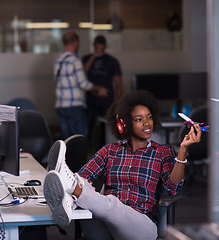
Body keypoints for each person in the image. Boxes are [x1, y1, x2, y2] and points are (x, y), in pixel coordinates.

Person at [44, 90, 202, 240]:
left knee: (107, 203)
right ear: (124, 124)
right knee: (86, 196)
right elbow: (84, 175)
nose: (147, 123)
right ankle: (71, 196)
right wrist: (83, 183)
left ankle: (71, 194)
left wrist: (183, 149)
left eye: (149, 117)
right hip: (107, 223)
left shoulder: (162, 152)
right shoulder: (110, 151)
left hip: (141, 226)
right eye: (139, 119)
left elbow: (174, 188)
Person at [54, 32, 108, 140]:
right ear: (76, 43)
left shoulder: (58, 60)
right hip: (74, 106)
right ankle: (77, 158)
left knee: (66, 142)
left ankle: (67, 158)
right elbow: (83, 84)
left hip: (60, 106)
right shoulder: (75, 60)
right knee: (79, 141)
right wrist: (99, 89)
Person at [82, 35, 122, 142]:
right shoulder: (86, 59)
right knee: (86, 129)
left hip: (107, 101)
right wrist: (93, 57)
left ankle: (103, 154)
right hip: (90, 101)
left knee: (106, 131)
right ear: (94, 45)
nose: (99, 49)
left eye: (101, 47)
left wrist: (118, 103)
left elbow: (118, 83)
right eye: (97, 47)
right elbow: (81, 74)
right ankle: (85, 153)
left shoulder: (112, 61)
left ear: (105, 46)